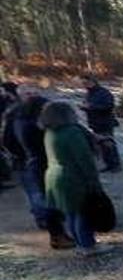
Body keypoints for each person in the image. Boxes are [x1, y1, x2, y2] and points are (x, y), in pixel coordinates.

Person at [4, 91, 74, 249]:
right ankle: (57, 234)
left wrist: (18, 156)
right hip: (40, 163)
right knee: (48, 198)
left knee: (35, 196)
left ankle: (44, 222)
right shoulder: (38, 125)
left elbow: (7, 141)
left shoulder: (13, 118)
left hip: (23, 163)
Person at [40, 101, 108, 255]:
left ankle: (79, 243)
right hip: (72, 177)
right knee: (83, 212)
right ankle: (88, 245)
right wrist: (93, 180)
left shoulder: (49, 131)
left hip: (53, 176)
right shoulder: (72, 132)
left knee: (70, 213)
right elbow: (83, 158)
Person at [79, 75, 120, 172]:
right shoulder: (89, 93)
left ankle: (115, 164)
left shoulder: (104, 93)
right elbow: (89, 105)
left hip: (105, 122)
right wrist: (84, 107)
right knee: (101, 145)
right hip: (94, 122)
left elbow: (109, 106)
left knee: (108, 144)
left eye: (85, 83)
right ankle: (108, 164)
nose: (84, 85)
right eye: (83, 83)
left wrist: (91, 107)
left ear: (92, 81)